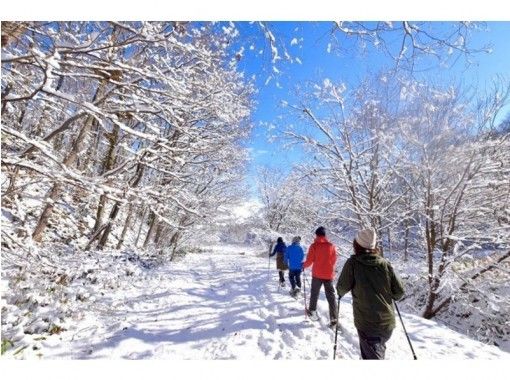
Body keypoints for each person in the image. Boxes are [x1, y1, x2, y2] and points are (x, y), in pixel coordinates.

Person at [336, 228, 405, 360]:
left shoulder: (353, 263)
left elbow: (342, 288)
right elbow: (399, 292)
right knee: (377, 351)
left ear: (357, 244)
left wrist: (340, 293)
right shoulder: (385, 264)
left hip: (367, 324)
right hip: (387, 324)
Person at [303, 226, 338, 327]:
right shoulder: (331, 246)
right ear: (325, 235)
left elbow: (309, 261)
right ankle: (334, 318)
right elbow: (334, 259)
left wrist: (303, 265)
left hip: (317, 274)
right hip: (329, 274)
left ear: (316, 235)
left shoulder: (314, 246)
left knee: (314, 293)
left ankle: (312, 311)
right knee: (331, 297)